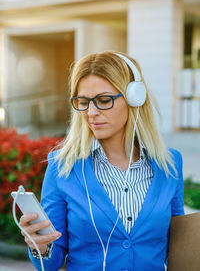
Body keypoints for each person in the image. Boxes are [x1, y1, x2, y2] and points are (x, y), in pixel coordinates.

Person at [19, 51, 184, 271]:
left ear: (135, 98)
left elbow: (179, 247)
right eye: (83, 102)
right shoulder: (62, 166)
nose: (91, 112)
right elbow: (50, 263)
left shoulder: (170, 164)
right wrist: (42, 246)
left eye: (104, 100)